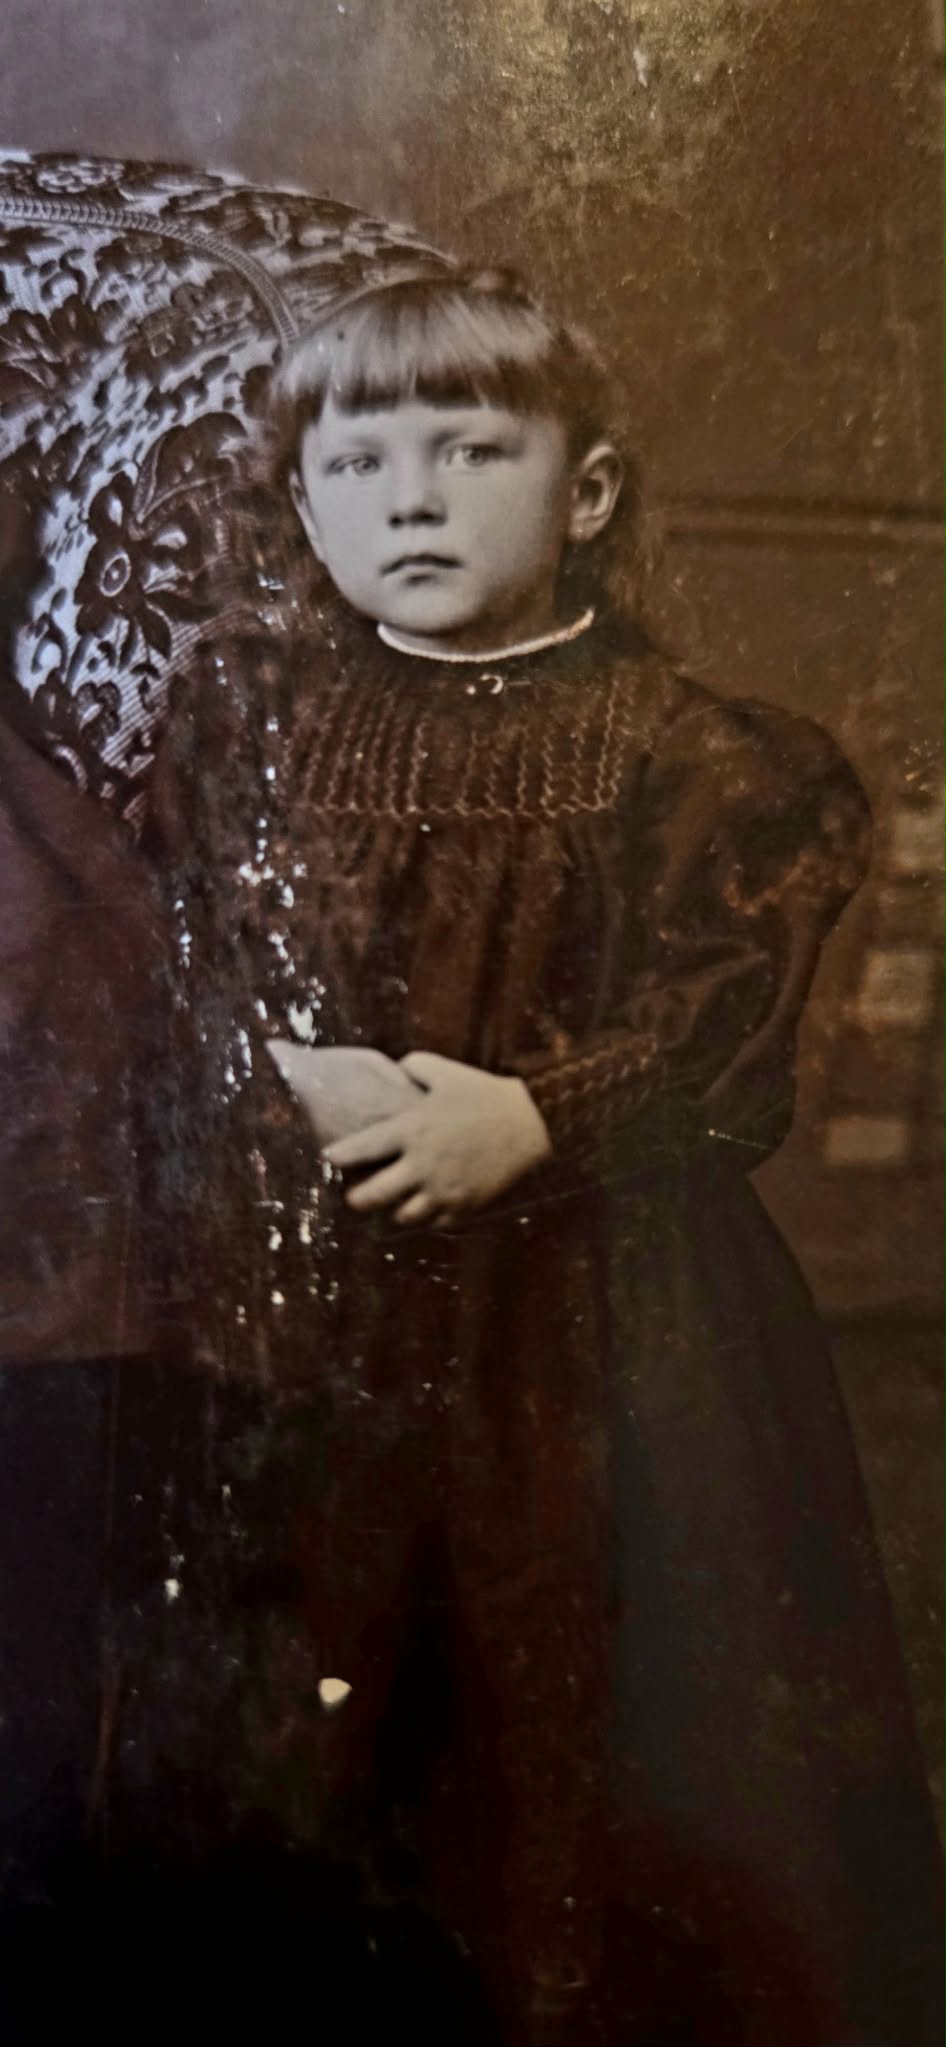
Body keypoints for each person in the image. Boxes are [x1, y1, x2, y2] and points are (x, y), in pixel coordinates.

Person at [137, 267, 946, 2045]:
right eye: (354, 467)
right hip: (318, 1284)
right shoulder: (244, 730)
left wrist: (532, 1114)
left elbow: (724, 1044)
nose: (408, 497)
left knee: (589, 1705)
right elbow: (178, 954)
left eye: (467, 449)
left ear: (582, 496)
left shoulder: (708, 760)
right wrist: (280, 1067)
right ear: (303, 503)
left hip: (601, 1316)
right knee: (314, 1701)